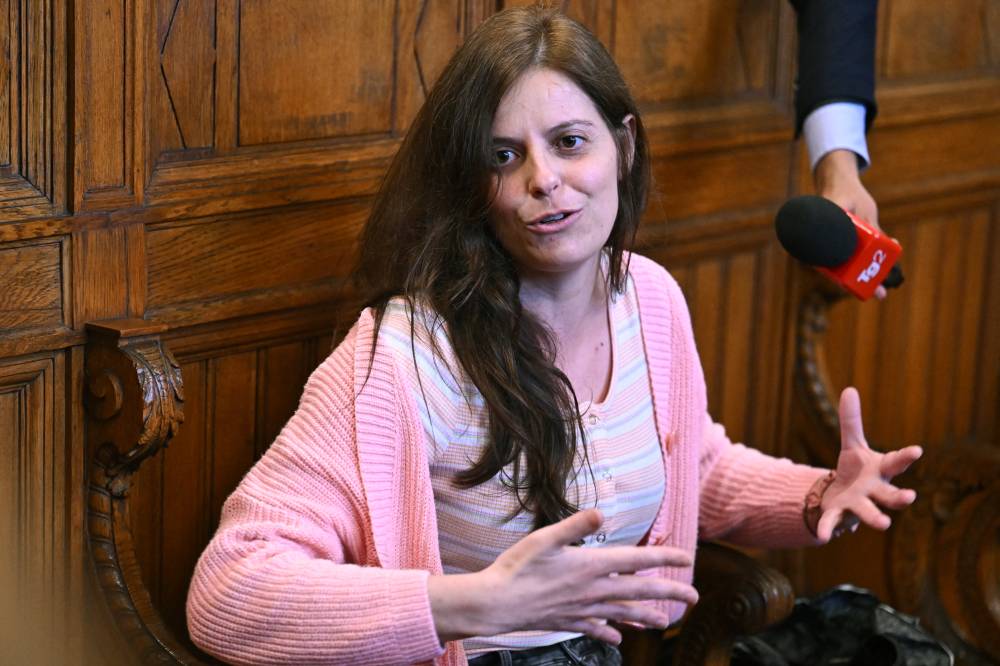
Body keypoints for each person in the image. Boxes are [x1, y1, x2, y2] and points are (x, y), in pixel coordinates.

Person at [186, 7, 921, 665]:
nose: (544, 179)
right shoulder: (407, 353)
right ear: (474, 184)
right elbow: (227, 592)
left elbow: (686, 469)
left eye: (570, 142)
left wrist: (817, 492)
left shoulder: (650, 299)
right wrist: (476, 604)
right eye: (504, 156)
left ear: (622, 147)